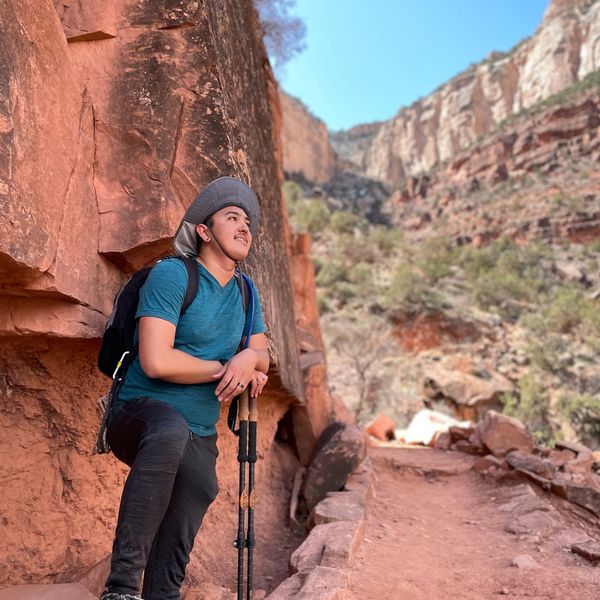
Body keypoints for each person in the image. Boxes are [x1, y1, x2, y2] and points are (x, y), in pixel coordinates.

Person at [100, 176, 269, 600]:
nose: (244, 226)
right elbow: (157, 360)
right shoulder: (173, 275)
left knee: (199, 485)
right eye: (232, 217)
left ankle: (163, 593)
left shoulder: (248, 294)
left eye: (248, 220)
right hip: (140, 412)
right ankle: (121, 589)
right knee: (169, 434)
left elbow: (262, 353)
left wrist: (249, 360)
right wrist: (227, 367)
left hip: (200, 428)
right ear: (204, 231)